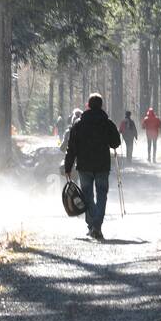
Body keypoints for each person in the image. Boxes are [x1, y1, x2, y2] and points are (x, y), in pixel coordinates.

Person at [63, 94, 120, 241]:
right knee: (102, 196)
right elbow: (115, 143)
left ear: (88, 105)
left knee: (87, 195)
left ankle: (92, 225)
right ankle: (97, 226)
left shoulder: (79, 124)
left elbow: (72, 148)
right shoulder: (107, 123)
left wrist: (68, 167)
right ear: (101, 105)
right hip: (102, 165)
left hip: (84, 166)